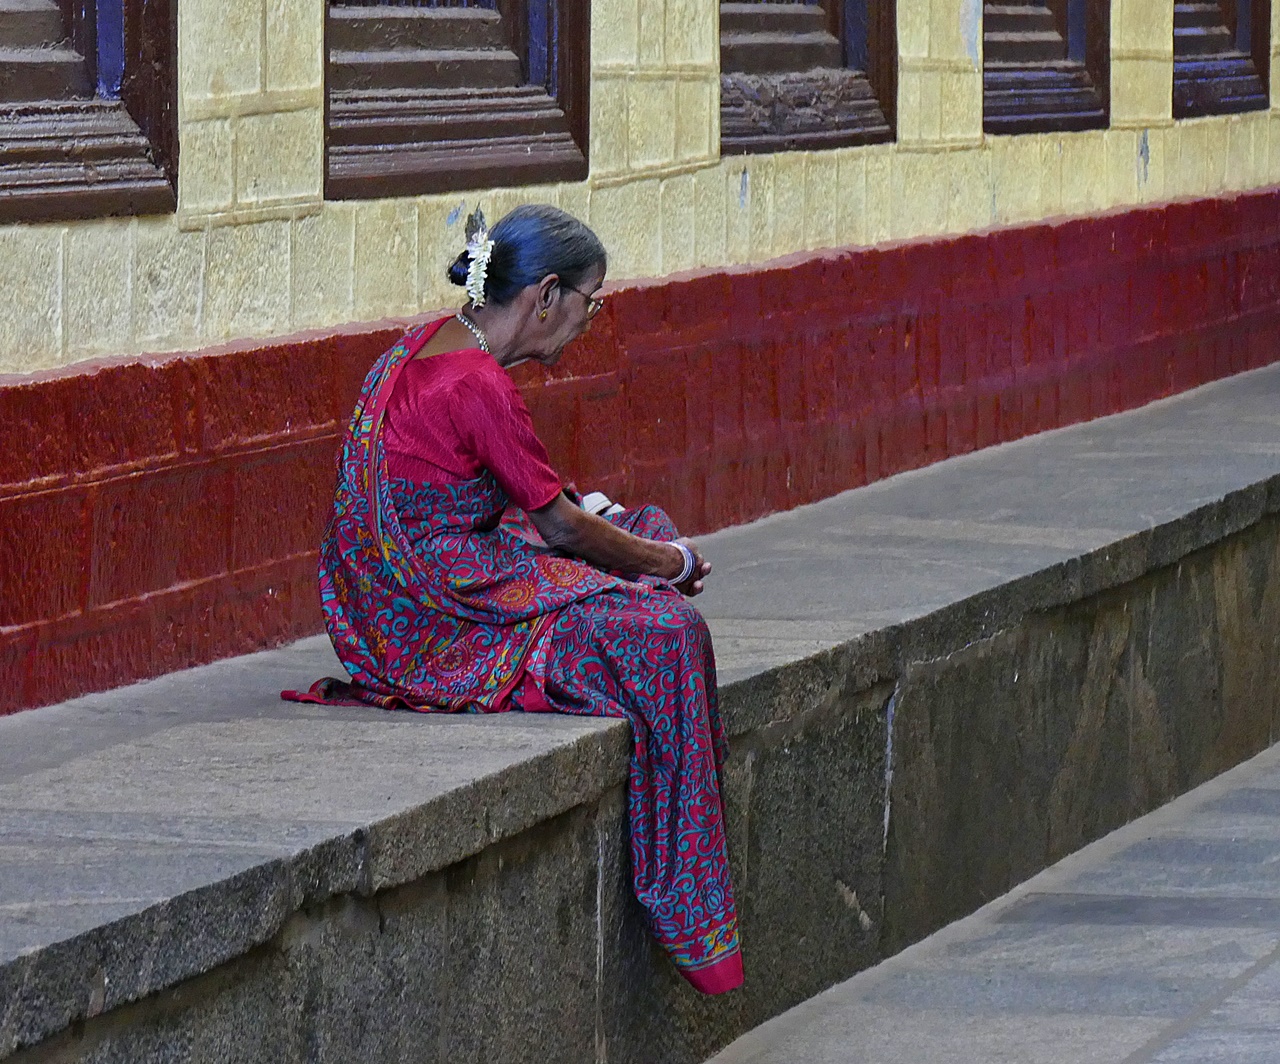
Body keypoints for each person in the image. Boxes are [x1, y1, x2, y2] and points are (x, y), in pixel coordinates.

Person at [284, 204, 743, 994]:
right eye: (591, 304)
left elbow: (510, 498)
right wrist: (668, 564)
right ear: (546, 296)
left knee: (634, 529)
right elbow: (561, 530)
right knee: (667, 632)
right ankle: (687, 903)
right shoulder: (477, 382)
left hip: (410, 584)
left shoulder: (426, 343)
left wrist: (630, 541)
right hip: (434, 619)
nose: (588, 325)